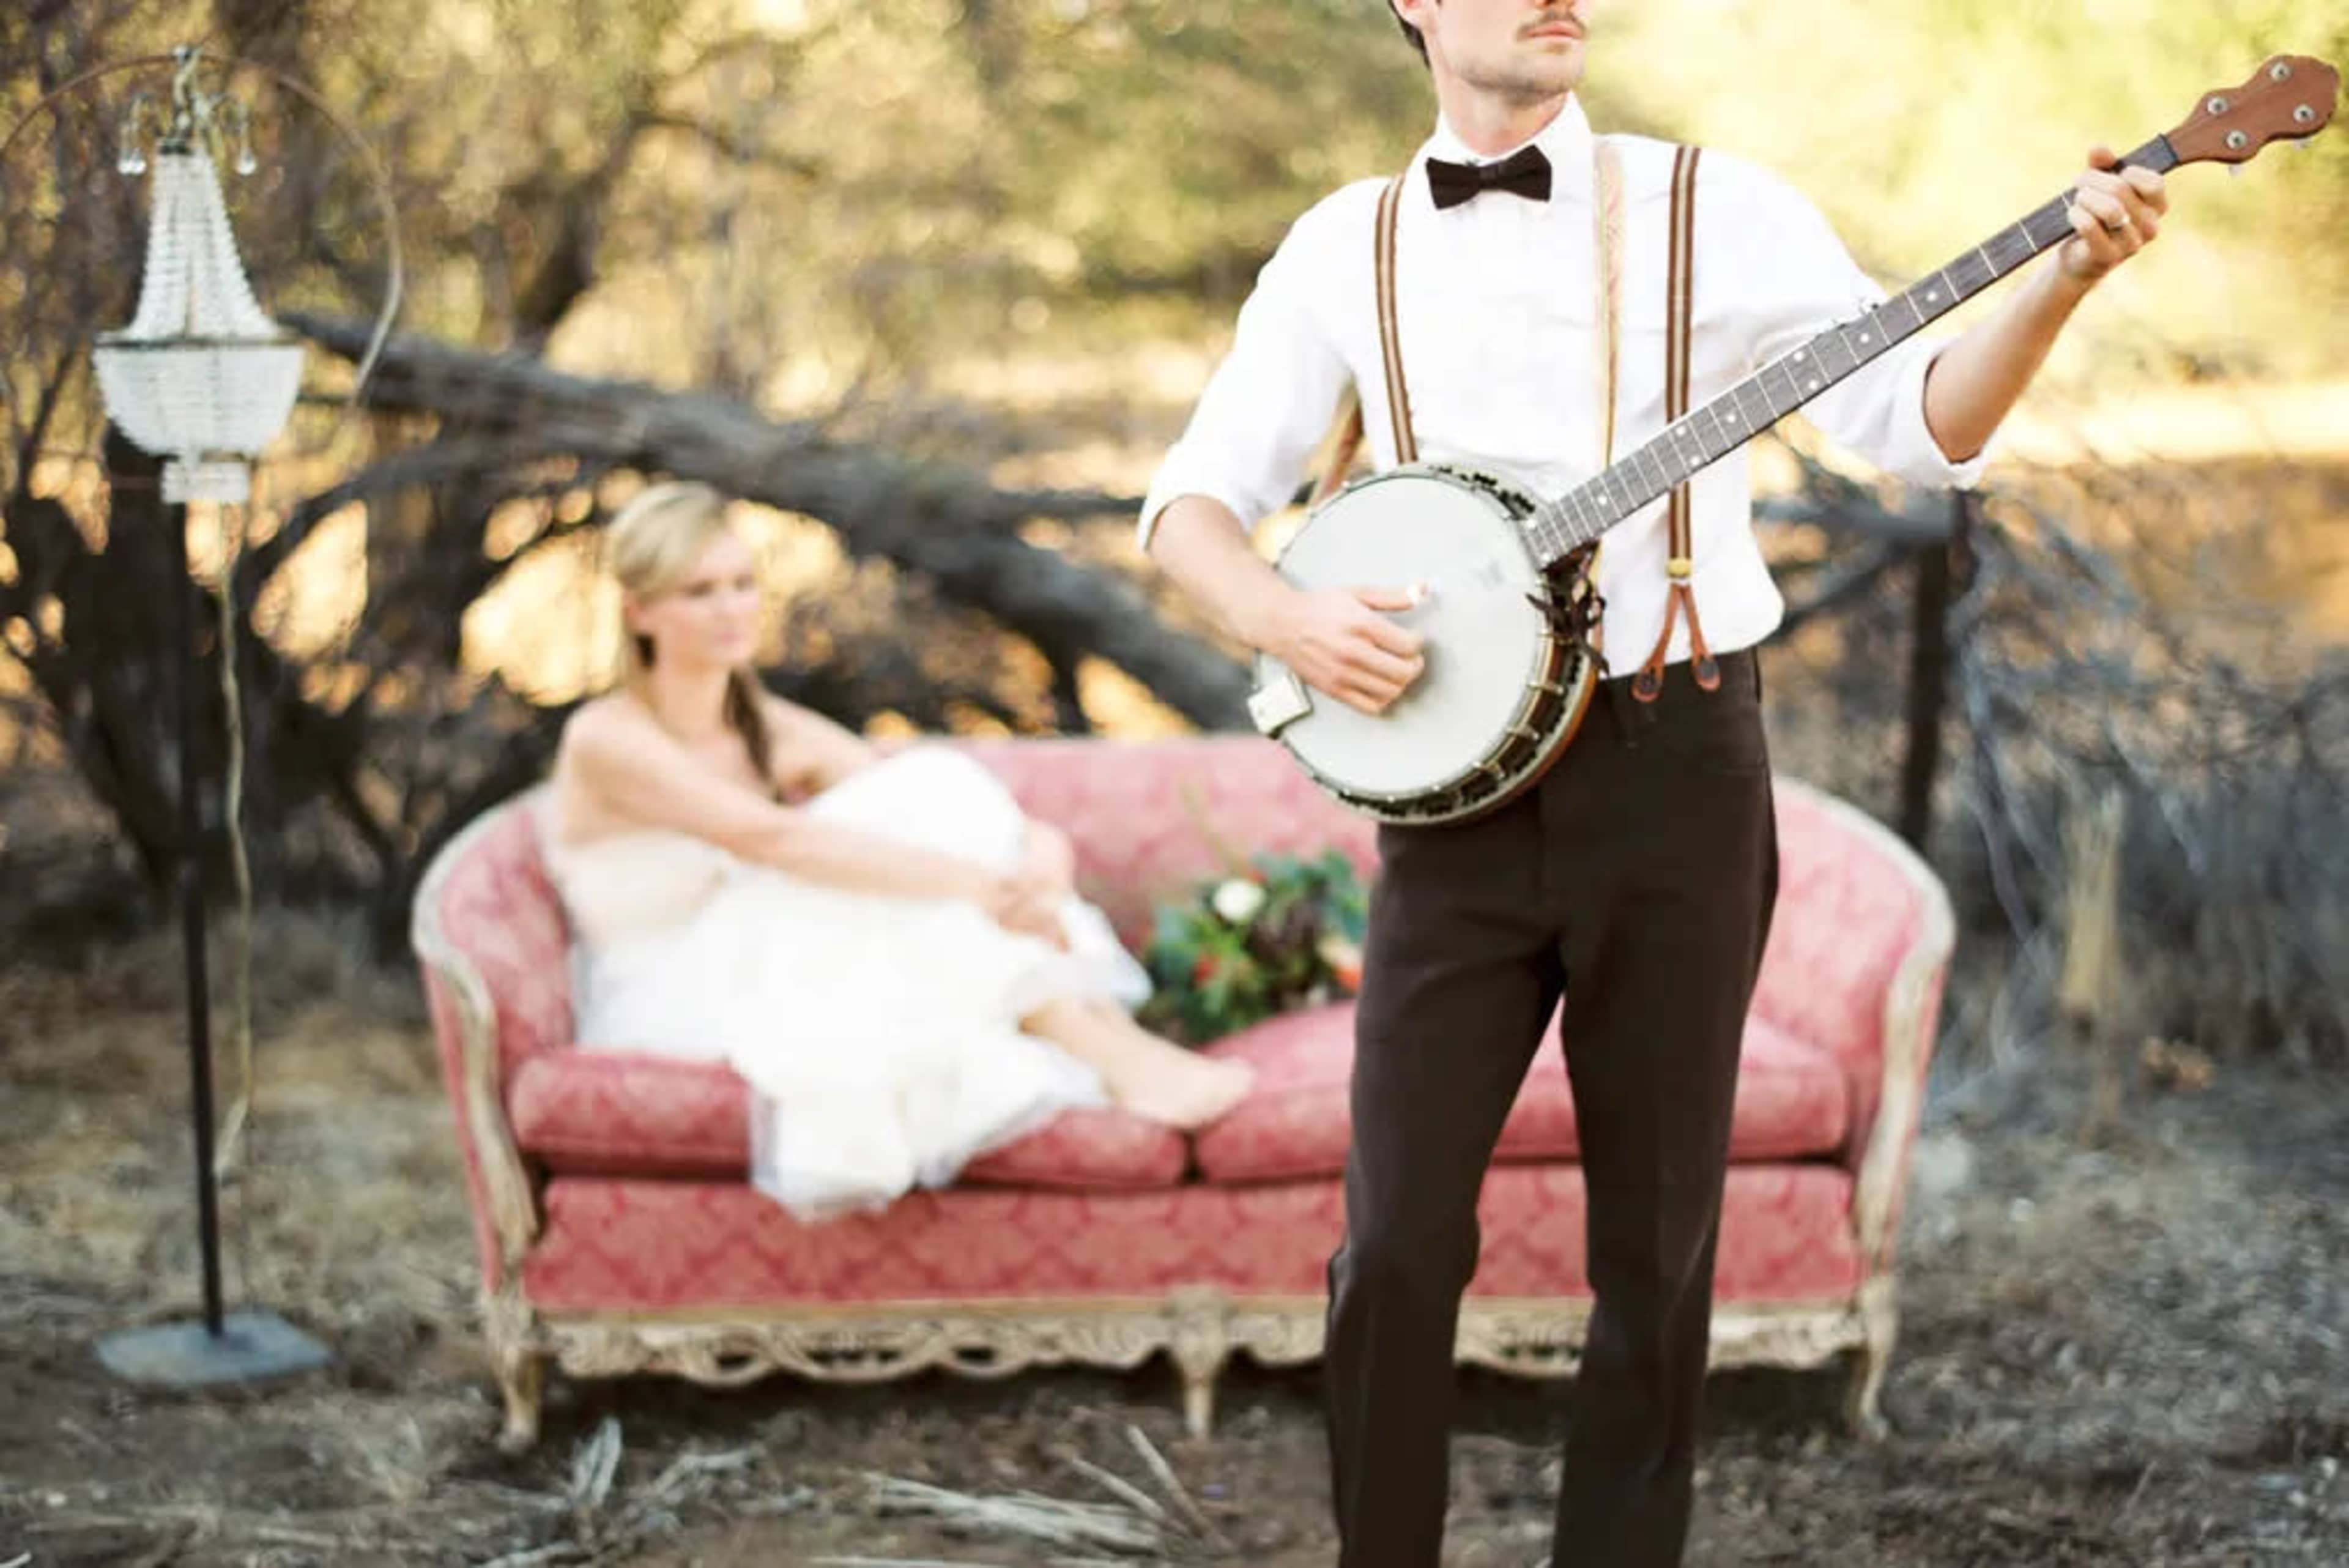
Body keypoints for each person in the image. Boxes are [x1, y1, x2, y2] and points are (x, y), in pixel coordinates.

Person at [1136, 3, 2165, 1564]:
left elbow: (1918, 424)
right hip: (1451, 810)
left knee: (1655, 1259)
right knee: (1396, 1246)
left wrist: (2068, 277)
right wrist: (1286, 614)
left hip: (1672, 770)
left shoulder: (1716, 209)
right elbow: (1187, 508)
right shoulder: (1340, 248)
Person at [544, 481, 1253, 1222]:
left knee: (932, 783)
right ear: (640, 611)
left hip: (750, 940)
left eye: (741, 584)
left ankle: (1106, 1040)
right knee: (885, 876)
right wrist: (980, 889)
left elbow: (917, 801)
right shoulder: (607, 738)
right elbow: (774, 839)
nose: (731, 609)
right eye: (699, 592)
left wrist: (1043, 855)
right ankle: (1110, 1049)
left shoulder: (759, 720)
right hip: (672, 980)